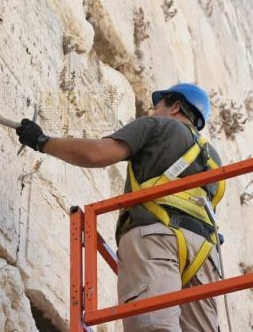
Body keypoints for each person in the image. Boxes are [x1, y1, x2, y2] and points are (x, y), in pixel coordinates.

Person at [16, 83, 225, 332]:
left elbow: (96, 153)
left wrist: (42, 142)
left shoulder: (158, 126)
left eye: (157, 106)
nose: (154, 111)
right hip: (205, 254)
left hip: (157, 236)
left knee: (153, 328)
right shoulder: (214, 159)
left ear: (175, 106)